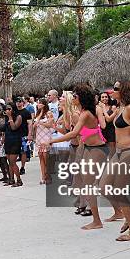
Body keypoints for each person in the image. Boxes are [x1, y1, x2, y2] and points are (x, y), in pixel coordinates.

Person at [47, 85, 108, 230]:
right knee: (93, 185)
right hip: (89, 148)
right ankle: (116, 213)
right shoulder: (82, 112)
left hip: (96, 149)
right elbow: (77, 133)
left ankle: (97, 221)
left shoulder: (85, 113)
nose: (73, 98)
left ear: (81, 98)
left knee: (91, 186)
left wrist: (51, 140)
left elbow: (73, 133)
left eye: (75, 96)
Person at [100, 81, 130, 242]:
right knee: (104, 186)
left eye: (116, 89)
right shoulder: (120, 108)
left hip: (129, 152)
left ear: (124, 91)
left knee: (119, 191)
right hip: (118, 152)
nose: (113, 91)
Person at [33, 98, 54, 184]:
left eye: (40, 103)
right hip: (39, 136)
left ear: (44, 104)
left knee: (46, 156)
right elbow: (34, 125)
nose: (38, 105)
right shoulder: (37, 114)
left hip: (46, 136)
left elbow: (50, 125)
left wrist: (40, 122)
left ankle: (48, 175)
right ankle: (43, 176)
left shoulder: (48, 113)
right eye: (38, 103)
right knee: (41, 156)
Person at [3, 102, 23, 187]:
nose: (7, 111)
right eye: (6, 109)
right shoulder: (6, 117)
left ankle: (19, 180)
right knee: (9, 162)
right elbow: (6, 129)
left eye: (9, 109)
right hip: (8, 141)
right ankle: (11, 179)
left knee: (13, 161)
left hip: (16, 141)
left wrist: (10, 117)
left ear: (13, 109)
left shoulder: (18, 117)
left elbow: (14, 127)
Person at [16, 97, 33, 175]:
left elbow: (30, 124)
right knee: (15, 151)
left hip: (24, 134)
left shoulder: (26, 112)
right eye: (17, 101)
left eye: (20, 102)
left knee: (23, 151)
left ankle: (22, 167)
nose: (18, 103)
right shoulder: (14, 111)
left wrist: (30, 134)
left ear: (23, 102)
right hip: (15, 134)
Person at [100, 92, 117, 156]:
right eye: (103, 97)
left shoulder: (112, 107)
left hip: (111, 130)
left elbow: (109, 119)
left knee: (112, 150)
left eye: (106, 97)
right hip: (102, 130)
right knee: (103, 150)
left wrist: (103, 109)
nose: (104, 98)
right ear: (100, 98)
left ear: (108, 98)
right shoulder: (98, 108)